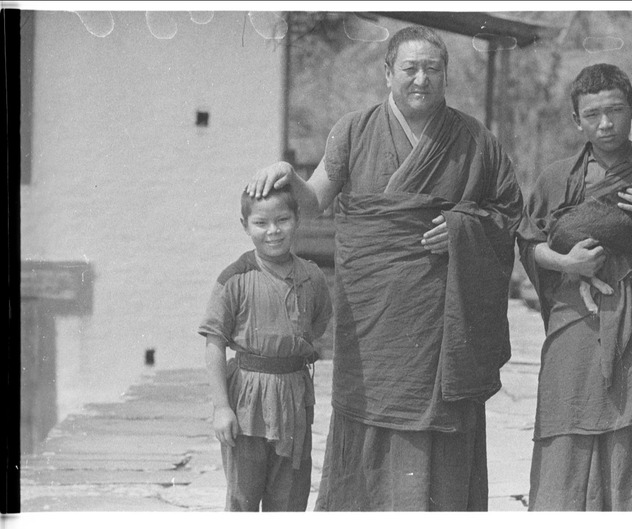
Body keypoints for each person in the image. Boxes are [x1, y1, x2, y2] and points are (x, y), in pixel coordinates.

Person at [247, 25, 522, 511]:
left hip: (441, 320)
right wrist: (288, 175)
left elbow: (507, 215)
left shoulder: (475, 140)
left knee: (443, 423)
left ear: (445, 75)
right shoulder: (353, 130)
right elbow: (313, 204)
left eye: (432, 69)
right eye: (410, 69)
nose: (421, 79)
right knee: (371, 415)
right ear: (388, 72)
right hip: (373, 317)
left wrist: (462, 229)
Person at [517, 63, 632, 511]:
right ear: (576, 120)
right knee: (567, 417)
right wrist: (566, 262)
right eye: (592, 114)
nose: (605, 123)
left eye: (615, 110)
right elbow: (527, 241)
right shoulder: (557, 178)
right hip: (575, 321)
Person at [198, 186, 332, 511]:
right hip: (247, 399)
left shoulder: (312, 277)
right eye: (261, 223)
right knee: (243, 496)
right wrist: (221, 408)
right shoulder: (234, 279)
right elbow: (214, 343)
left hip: (293, 397)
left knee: (289, 497)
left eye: (282, 220)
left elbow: (318, 323)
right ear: (245, 225)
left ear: (296, 220)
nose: (273, 231)